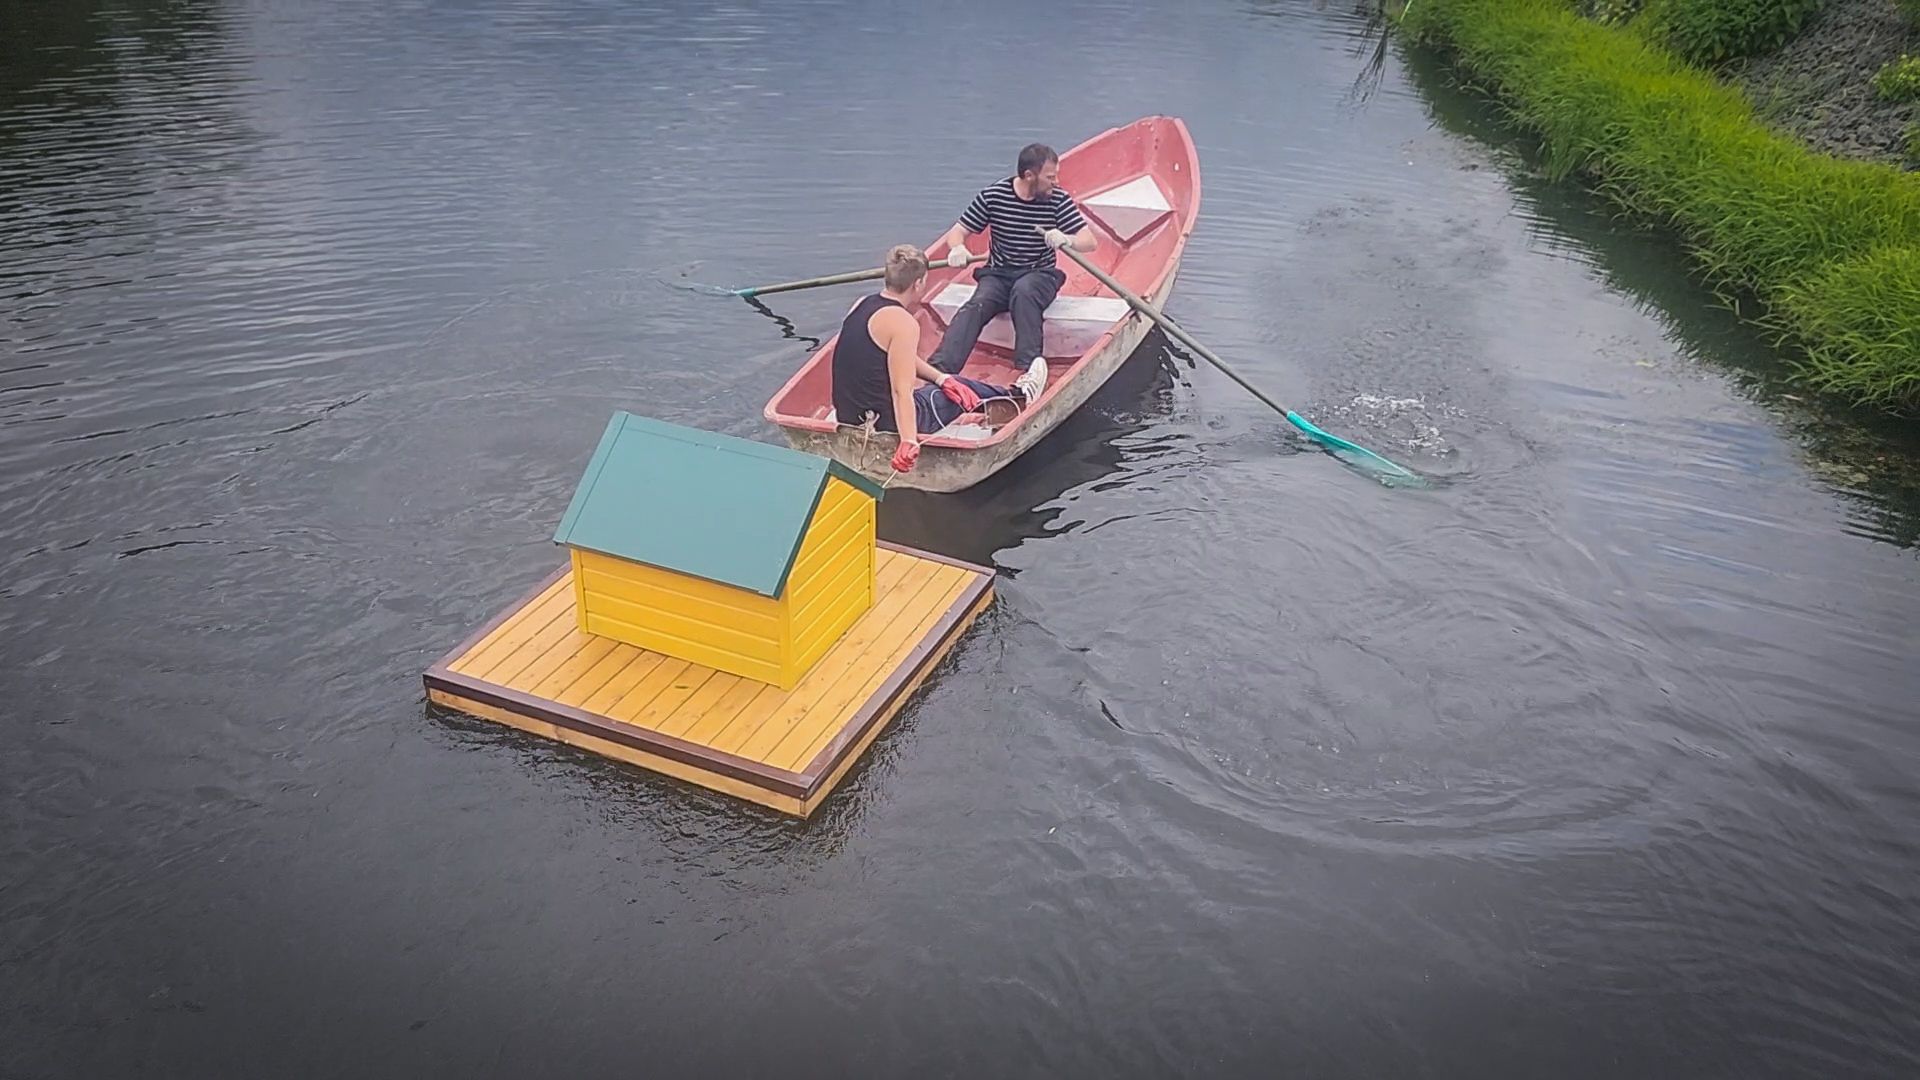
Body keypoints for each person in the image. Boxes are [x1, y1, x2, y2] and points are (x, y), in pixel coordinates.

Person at [832, 245, 1046, 475]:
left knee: (950, 383)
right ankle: (1020, 397)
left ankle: (988, 398)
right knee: (960, 389)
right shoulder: (903, 323)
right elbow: (900, 391)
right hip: (885, 423)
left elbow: (896, 358)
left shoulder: (862, 305)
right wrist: (908, 441)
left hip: (849, 416)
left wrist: (941, 378)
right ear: (919, 283)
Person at [927, 142, 1098, 376]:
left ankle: (1028, 370)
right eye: (1050, 177)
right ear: (1029, 176)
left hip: (1040, 275)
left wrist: (1067, 239)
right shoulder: (993, 195)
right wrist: (957, 248)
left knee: (1024, 292)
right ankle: (939, 370)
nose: (1055, 182)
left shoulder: (1057, 199)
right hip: (998, 274)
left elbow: (1089, 241)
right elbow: (958, 232)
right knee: (976, 304)